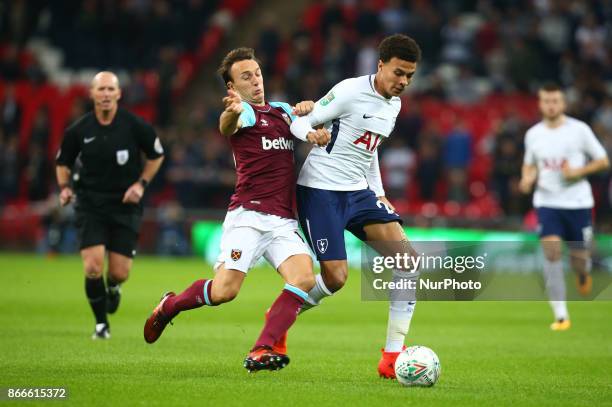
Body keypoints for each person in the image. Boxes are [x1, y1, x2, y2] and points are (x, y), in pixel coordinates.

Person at [143, 48, 330, 372]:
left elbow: (305, 125)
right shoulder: (243, 112)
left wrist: (312, 117)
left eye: (257, 73)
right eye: (246, 77)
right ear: (232, 88)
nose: (256, 80)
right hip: (249, 216)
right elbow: (227, 125)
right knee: (223, 292)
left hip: (284, 221)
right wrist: (230, 111)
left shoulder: (283, 111)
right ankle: (169, 305)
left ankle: (262, 348)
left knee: (303, 278)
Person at [288, 34, 422, 379]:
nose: (403, 82)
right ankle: (283, 314)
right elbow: (300, 121)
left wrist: (377, 191)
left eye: (409, 75)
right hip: (320, 191)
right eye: (398, 73)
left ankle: (392, 357)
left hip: (359, 192)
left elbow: (369, 149)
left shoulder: (394, 105)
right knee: (336, 278)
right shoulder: (348, 91)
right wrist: (310, 134)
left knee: (408, 262)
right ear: (380, 65)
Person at [56, 71, 165, 339]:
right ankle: (101, 325)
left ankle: (114, 287)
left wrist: (140, 185)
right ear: (92, 94)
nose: (105, 94)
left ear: (118, 94)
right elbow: (63, 163)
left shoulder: (134, 125)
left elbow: (156, 155)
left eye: (110, 89)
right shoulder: (79, 130)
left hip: (125, 206)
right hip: (90, 204)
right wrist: (65, 188)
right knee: (93, 267)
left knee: (119, 272)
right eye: (100, 89)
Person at [519, 83, 609, 331]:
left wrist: (579, 172)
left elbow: (602, 160)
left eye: (555, 101)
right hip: (547, 202)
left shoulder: (579, 130)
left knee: (580, 258)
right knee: (552, 252)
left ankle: (583, 274)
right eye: (546, 101)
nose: (551, 105)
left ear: (563, 103)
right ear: (540, 104)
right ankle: (561, 316)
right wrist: (527, 178)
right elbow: (530, 164)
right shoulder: (533, 134)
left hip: (578, 203)